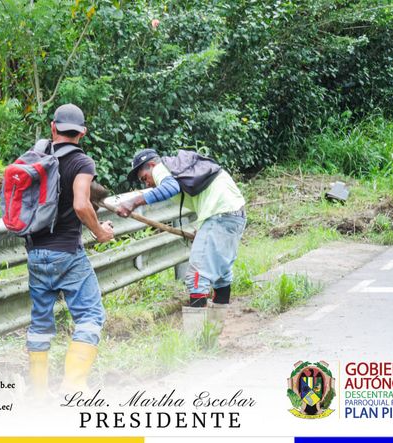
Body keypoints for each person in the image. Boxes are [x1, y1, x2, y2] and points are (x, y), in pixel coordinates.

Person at [26, 103, 114, 395]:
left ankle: (38, 394)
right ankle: (73, 386)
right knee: (90, 316)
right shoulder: (82, 162)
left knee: (40, 323)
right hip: (66, 253)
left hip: (35, 254)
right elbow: (80, 204)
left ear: (53, 127)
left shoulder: (36, 158)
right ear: (82, 133)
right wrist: (100, 231)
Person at [116, 149, 246, 328]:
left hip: (220, 215)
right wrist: (204, 230)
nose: (147, 184)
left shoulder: (161, 168)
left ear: (152, 165)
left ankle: (196, 337)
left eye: (145, 178)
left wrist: (133, 202)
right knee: (221, 275)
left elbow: (170, 188)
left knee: (196, 277)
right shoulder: (180, 168)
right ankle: (215, 331)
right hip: (234, 214)